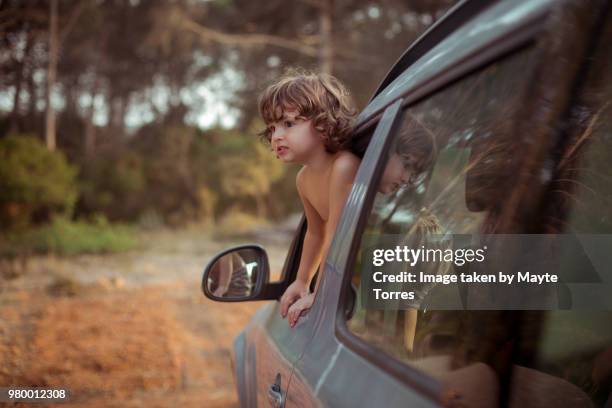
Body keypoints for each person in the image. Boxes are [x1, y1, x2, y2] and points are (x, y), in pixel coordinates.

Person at [258, 69, 358, 327]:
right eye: (272, 128)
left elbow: (338, 236)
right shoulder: (303, 179)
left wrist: (321, 294)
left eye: (288, 124)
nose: (276, 136)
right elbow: (316, 233)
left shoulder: (344, 166)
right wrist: (302, 281)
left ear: (323, 123)